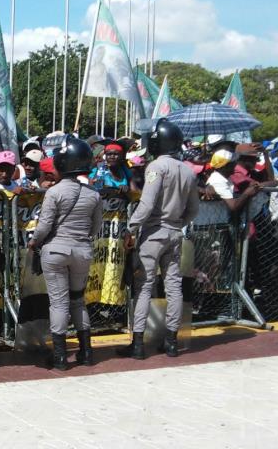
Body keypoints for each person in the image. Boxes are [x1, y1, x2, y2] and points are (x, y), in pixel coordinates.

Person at [119, 119, 200, 359]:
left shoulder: (156, 166)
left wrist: (131, 228)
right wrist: (176, 224)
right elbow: (193, 210)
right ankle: (172, 342)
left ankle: (137, 344)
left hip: (154, 232)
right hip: (174, 233)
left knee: (144, 286)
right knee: (173, 286)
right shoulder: (188, 170)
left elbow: (147, 204)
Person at [28, 137, 102, 370]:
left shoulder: (54, 192)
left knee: (59, 303)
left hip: (56, 251)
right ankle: (86, 352)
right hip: (82, 250)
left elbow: (44, 226)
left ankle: (60, 357)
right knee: (78, 301)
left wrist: (34, 241)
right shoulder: (93, 194)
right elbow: (95, 228)